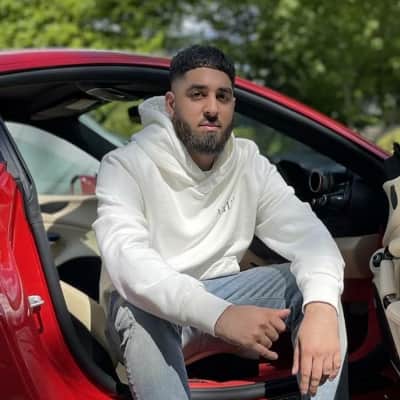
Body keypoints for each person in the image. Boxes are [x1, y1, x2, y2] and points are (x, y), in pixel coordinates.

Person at [93, 44, 347, 399]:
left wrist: (321, 307)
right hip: (154, 312)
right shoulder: (124, 166)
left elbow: (310, 239)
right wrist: (221, 315)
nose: (212, 108)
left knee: (319, 290)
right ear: (171, 104)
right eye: (197, 94)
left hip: (223, 293)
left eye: (222, 96)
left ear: (232, 105)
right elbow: (131, 265)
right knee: (137, 307)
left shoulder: (248, 162)